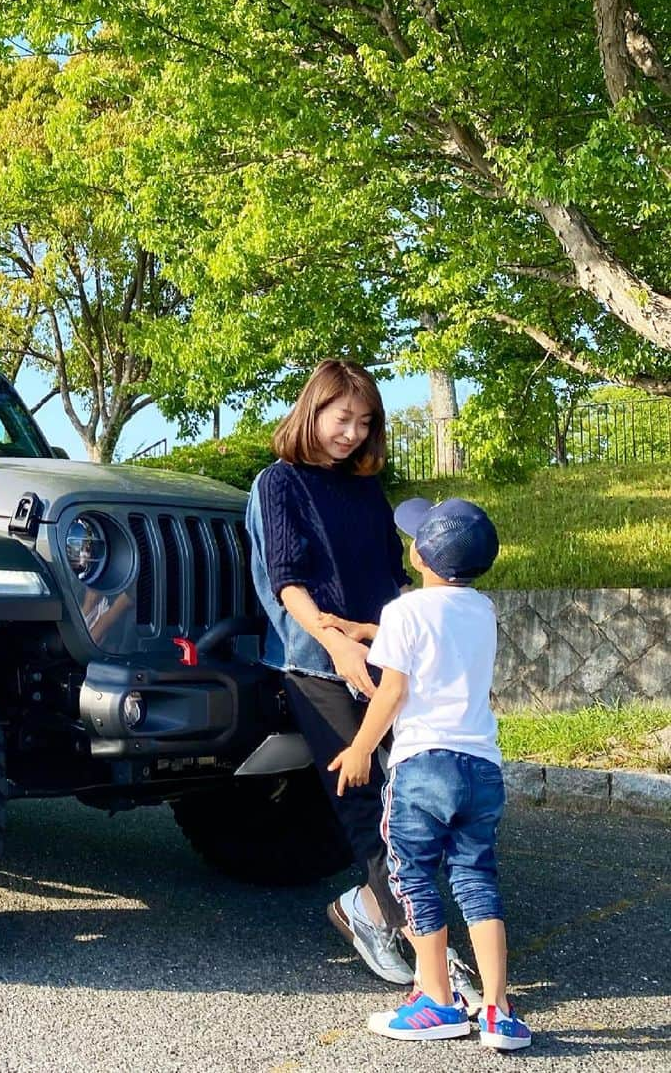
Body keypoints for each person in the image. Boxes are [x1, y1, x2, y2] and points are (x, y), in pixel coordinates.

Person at [328, 497, 533, 1050]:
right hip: (481, 767)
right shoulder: (482, 609)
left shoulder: (405, 612)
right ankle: (497, 1010)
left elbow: (393, 688)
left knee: (414, 877)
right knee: (476, 880)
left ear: (420, 554)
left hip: (423, 765)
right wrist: (368, 629)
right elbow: (436, 637)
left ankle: (437, 1002)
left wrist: (359, 749)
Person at [246, 358, 416, 986]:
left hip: (382, 655)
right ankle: (421, 942)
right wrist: (335, 644)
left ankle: (371, 909)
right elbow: (285, 581)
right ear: (312, 411)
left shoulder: (367, 488)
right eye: (341, 418)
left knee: (413, 796)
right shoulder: (280, 482)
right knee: (365, 801)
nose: (351, 433)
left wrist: (403, 637)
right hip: (315, 659)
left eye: (363, 423)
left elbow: (392, 574)